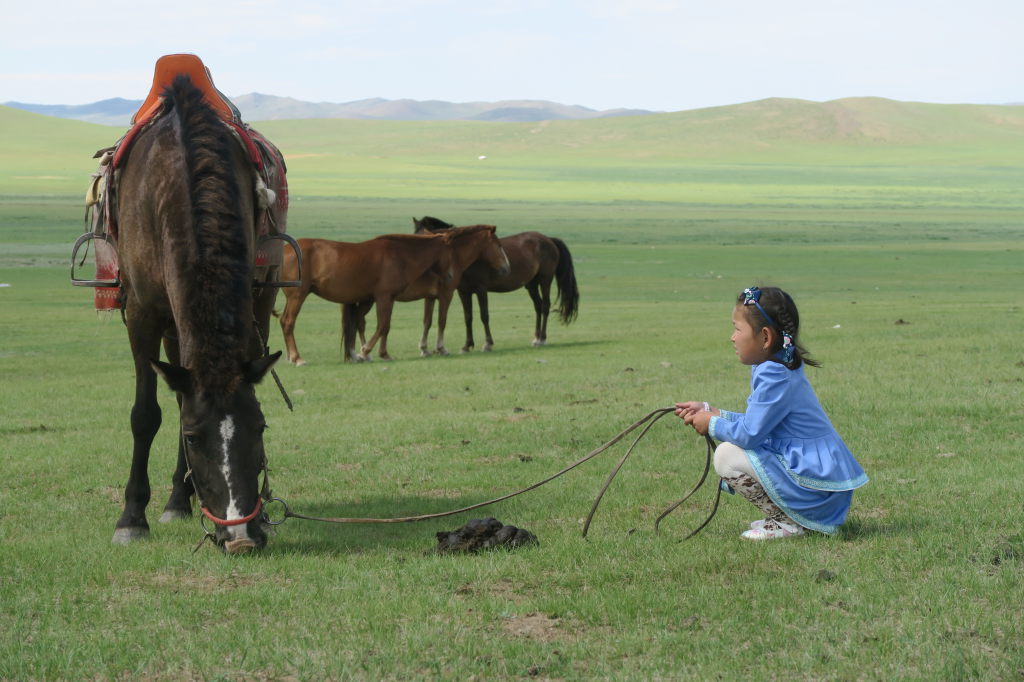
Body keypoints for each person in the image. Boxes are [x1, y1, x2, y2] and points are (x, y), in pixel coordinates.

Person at [675, 286, 868, 540]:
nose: (732, 337)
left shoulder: (773, 373)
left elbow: (749, 435)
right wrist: (711, 412)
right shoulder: (777, 365)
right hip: (819, 487)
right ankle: (791, 517)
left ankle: (790, 522)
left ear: (765, 337)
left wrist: (712, 424)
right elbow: (758, 424)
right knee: (732, 450)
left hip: (816, 491)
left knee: (726, 455)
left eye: (737, 329)